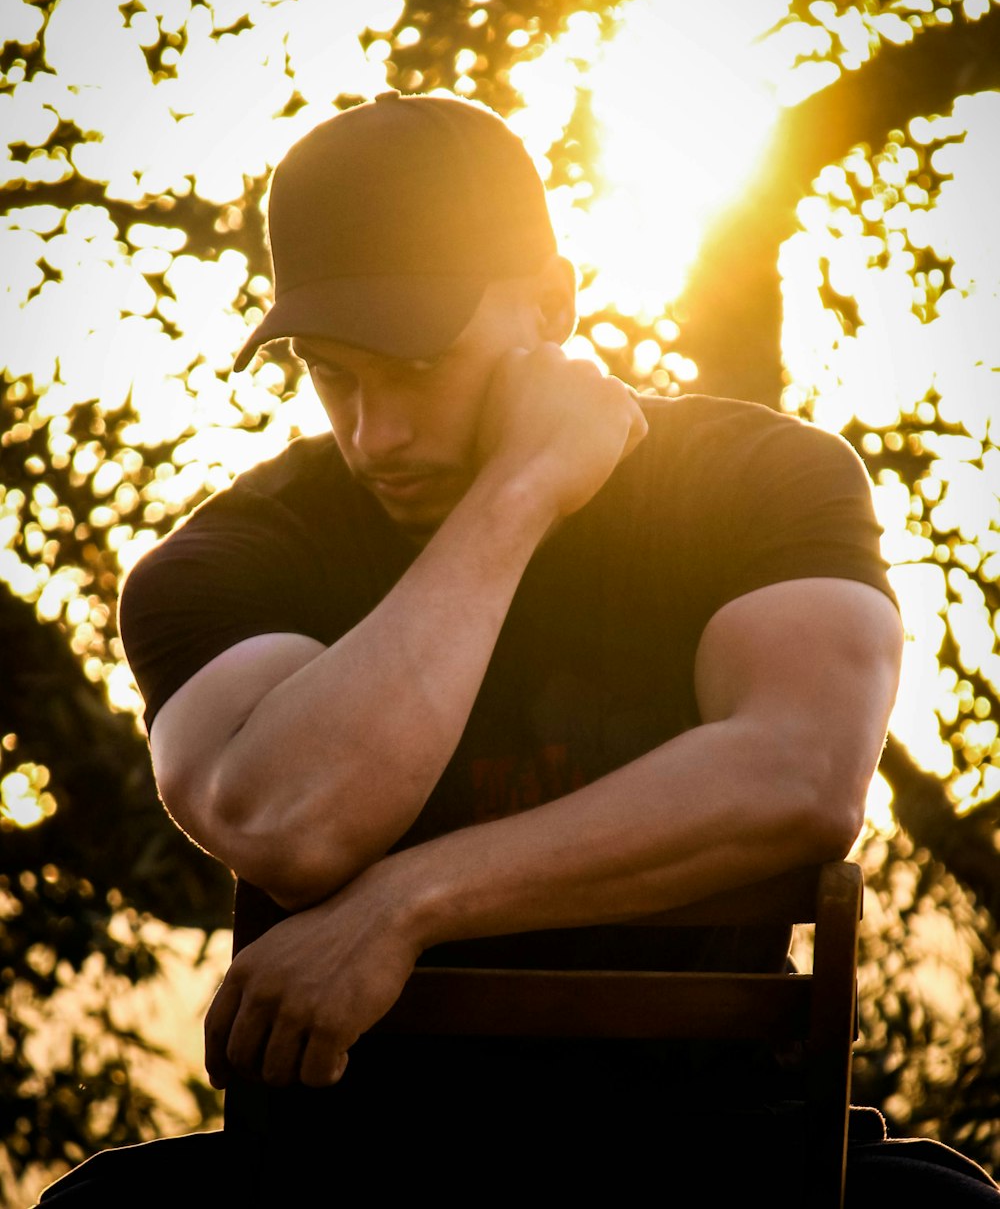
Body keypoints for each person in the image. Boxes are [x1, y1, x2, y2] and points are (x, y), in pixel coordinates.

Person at [37, 92, 1000, 1204]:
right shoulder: (226, 560)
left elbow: (799, 776)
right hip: (350, 1176)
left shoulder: (763, 482)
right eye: (333, 372)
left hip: (726, 1157)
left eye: (417, 366)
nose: (375, 434)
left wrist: (409, 901)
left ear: (550, 305)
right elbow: (293, 822)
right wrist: (519, 495)